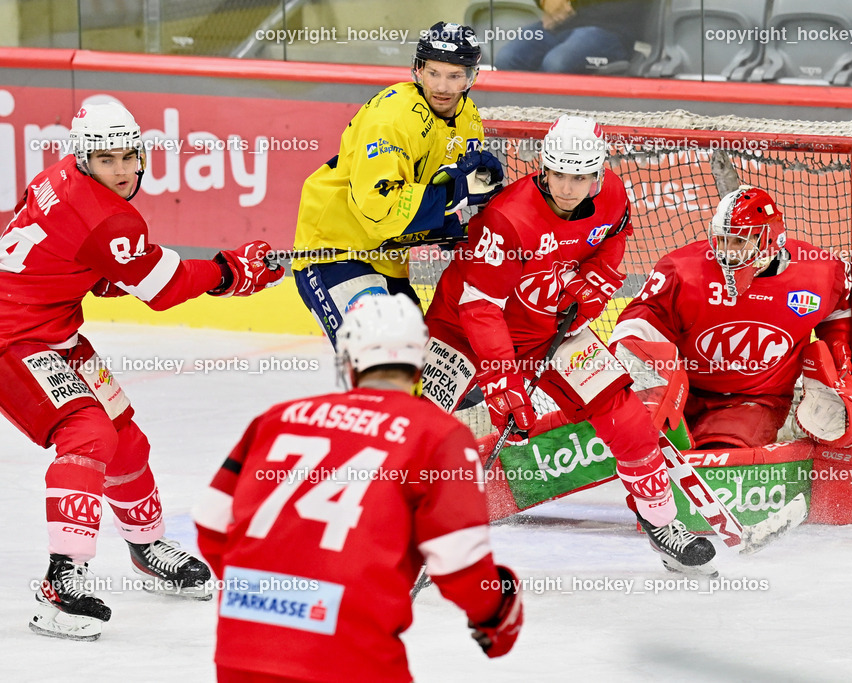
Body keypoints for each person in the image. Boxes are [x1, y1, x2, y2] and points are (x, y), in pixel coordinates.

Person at [0, 101, 284, 641]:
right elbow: (163, 288)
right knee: (85, 433)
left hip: (54, 334)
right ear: (85, 159)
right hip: (12, 339)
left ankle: (147, 545)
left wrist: (97, 273)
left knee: (124, 440)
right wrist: (232, 271)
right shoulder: (109, 217)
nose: (125, 169)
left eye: (131, 155)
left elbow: (38, 234)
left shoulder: (59, 175)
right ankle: (61, 584)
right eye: (108, 159)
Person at [421, 114, 716, 575]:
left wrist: (598, 277)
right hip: (463, 333)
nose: (567, 187)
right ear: (543, 168)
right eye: (559, 174)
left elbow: (611, 238)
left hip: (551, 328)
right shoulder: (507, 219)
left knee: (625, 415)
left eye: (579, 177)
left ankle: (662, 523)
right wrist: (502, 378)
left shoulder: (614, 196)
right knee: (413, 424)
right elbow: (480, 309)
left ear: (598, 173)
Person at [193, 295, 523, 683]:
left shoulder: (277, 418)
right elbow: (457, 560)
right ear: (419, 366)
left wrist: (261, 595)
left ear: (348, 363)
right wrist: (495, 612)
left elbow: (211, 521)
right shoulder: (438, 434)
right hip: (350, 657)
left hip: (242, 652)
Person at [610, 185, 852, 451]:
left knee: (719, 453)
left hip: (755, 400)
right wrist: (633, 368)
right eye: (722, 239)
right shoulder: (683, 270)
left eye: (738, 241)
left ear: (770, 238)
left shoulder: (820, 273)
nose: (727, 251)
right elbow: (643, 321)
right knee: (630, 438)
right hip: (681, 390)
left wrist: (839, 360)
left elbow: (840, 313)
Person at [292, 21, 504, 348]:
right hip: (335, 249)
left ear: (472, 77)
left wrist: (465, 224)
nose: (443, 87)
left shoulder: (469, 118)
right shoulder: (391, 118)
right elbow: (379, 211)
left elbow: (431, 191)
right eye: (434, 73)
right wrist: (456, 195)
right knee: (382, 357)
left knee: (422, 366)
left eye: (455, 75)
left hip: (387, 256)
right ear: (417, 70)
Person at [495, 0, 653, 74]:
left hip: (611, 28)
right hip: (563, 24)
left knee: (557, 62)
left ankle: (548, 130)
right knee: (508, 57)